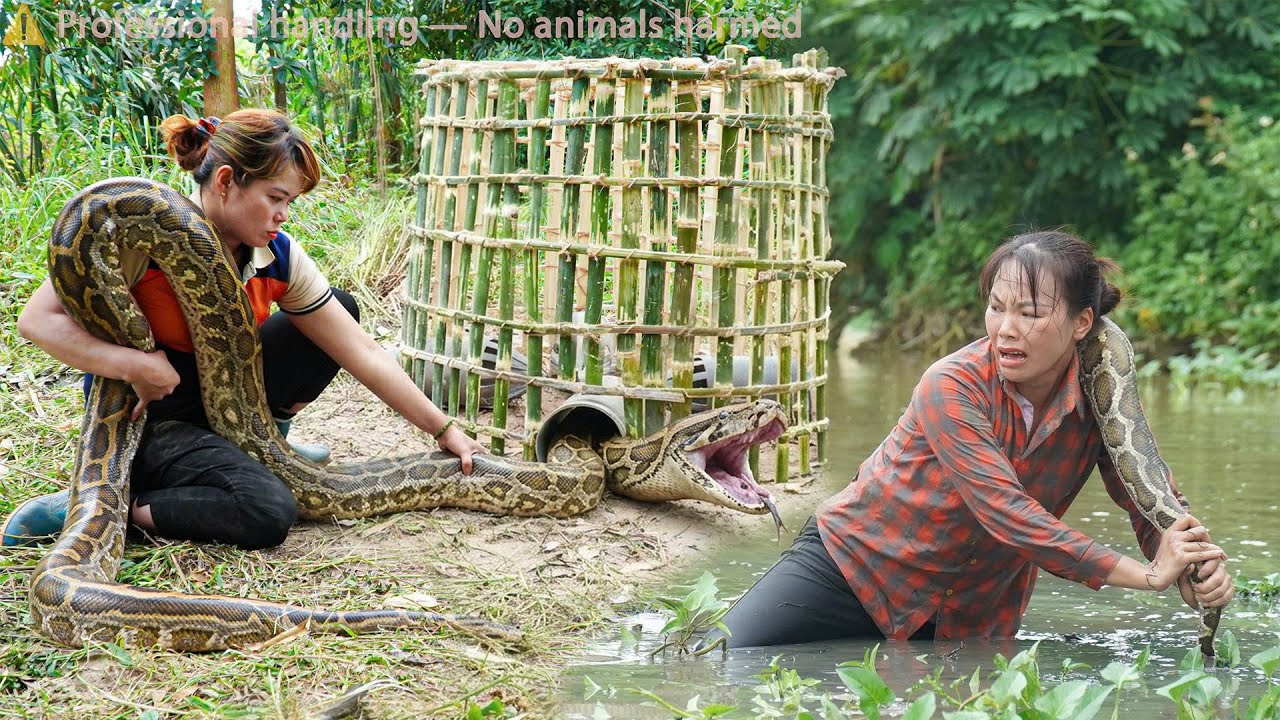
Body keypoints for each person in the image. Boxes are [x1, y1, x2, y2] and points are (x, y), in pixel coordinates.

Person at [714, 231, 1234, 647]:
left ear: (1082, 323)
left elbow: (1147, 494)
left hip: (973, 611)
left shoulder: (1101, 400)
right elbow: (1005, 512)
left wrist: (1192, 568)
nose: (1005, 329)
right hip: (853, 570)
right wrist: (1147, 576)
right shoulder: (951, 384)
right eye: (996, 307)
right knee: (722, 660)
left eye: (1029, 314)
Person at [5, 110, 485, 550]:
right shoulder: (140, 234)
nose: (284, 215)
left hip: (229, 400)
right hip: (149, 414)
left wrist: (444, 430)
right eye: (276, 198)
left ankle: (265, 441)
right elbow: (36, 321)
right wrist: (133, 363)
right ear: (227, 181)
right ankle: (105, 505)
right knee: (267, 510)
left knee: (340, 309)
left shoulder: (276, 254)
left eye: (290, 202)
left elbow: (361, 350)